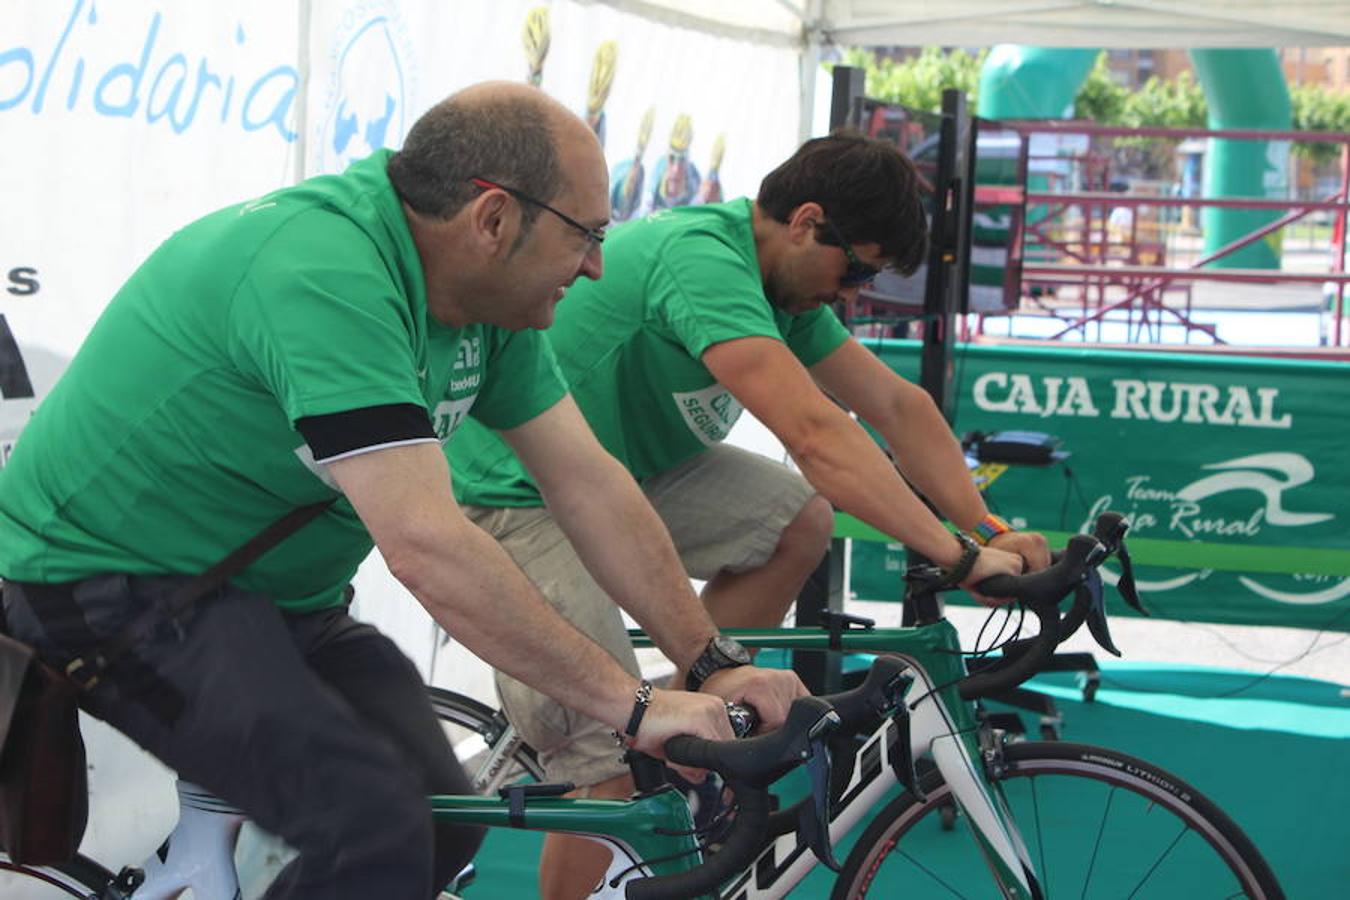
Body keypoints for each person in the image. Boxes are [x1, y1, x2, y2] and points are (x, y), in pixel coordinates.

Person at [0, 82, 802, 899]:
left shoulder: (486, 300)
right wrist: (634, 708)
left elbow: (588, 481)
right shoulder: (326, 271)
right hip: (108, 586)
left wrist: (709, 662)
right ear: (492, 220)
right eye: (586, 235)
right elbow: (426, 545)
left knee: (445, 814)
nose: (597, 265)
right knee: (373, 825)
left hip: (277, 599)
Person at [448, 131, 1052, 898]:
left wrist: (987, 530)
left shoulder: (786, 287)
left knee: (796, 520)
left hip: (622, 474)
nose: (854, 293)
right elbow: (817, 435)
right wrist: (959, 559)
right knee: (607, 752)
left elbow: (898, 406)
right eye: (857, 267)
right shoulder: (706, 260)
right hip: (515, 493)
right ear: (804, 222)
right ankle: (634, 756)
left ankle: (683, 729)